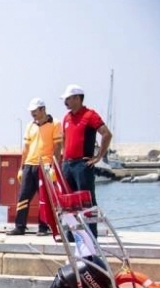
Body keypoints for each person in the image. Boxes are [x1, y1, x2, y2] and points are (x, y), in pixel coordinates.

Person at [60, 84, 112, 238]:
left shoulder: (90, 115)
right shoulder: (67, 117)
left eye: (68, 99)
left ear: (77, 98)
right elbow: (64, 138)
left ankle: (91, 235)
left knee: (87, 202)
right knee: (69, 202)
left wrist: (98, 157)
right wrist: (63, 157)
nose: (66, 102)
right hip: (67, 165)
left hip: (82, 165)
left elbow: (106, 134)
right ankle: (72, 235)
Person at [6, 98, 62, 236]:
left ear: (43, 109)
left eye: (35, 111)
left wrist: (54, 166)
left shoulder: (55, 123)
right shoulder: (30, 125)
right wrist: (21, 168)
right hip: (29, 165)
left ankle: (44, 227)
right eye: (31, 111)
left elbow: (58, 146)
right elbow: (25, 148)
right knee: (23, 196)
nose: (32, 114)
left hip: (45, 165)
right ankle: (20, 226)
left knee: (45, 198)